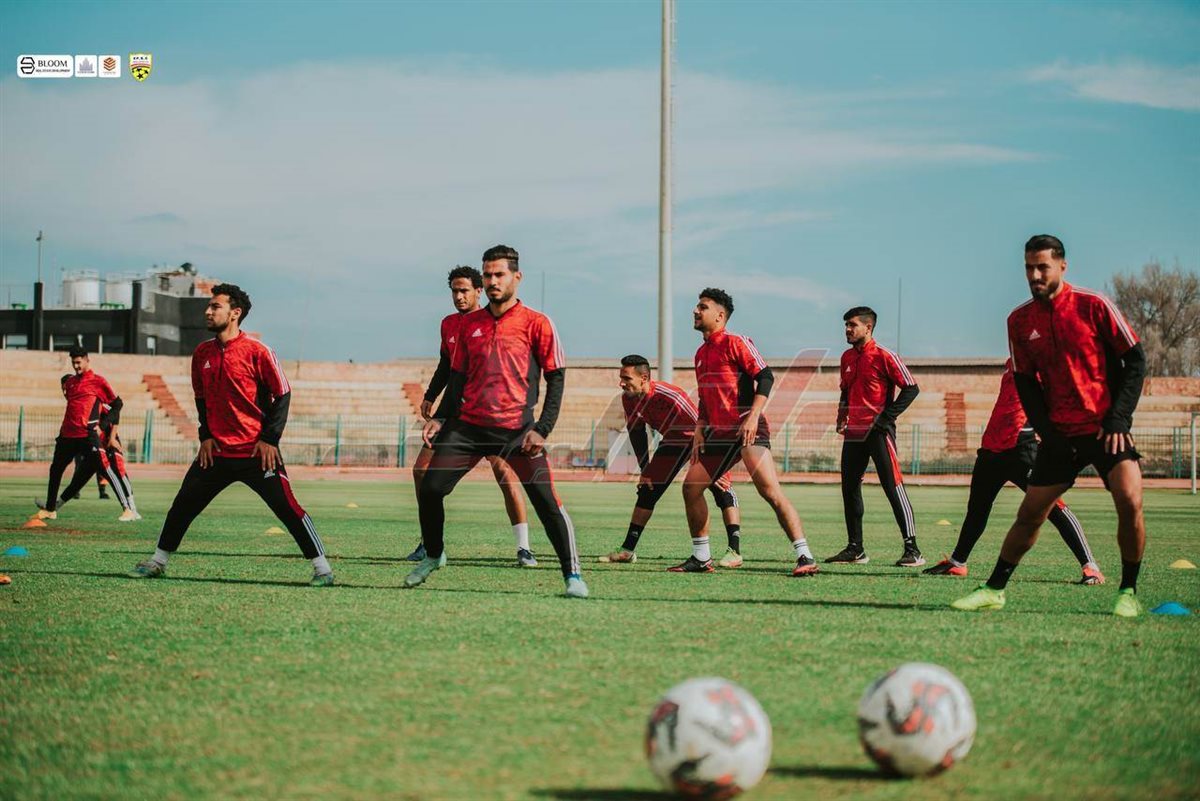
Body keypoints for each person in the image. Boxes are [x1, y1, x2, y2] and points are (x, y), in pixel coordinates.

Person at [952, 234, 1147, 617]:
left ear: (1062, 266)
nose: (1035, 275)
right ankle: (994, 589)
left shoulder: (1094, 305)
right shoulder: (1019, 321)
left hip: (1105, 429)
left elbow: (1135, 361)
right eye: (1029, 268)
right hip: (1060, 436)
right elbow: (1025, 381)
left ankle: (1128, 591)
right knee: (1030, 514)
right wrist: (1047, 430)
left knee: (1129, 501)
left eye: (1043, 267)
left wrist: (1118, 418)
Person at [408, 245, 587, 598]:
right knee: (430, 488)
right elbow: (457, 376)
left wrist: (542, 428)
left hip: (517, 430)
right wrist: (441, 417)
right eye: (488, 274)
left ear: (516, 277)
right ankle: (433, 554)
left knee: (547, 502)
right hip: (468, 428)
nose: (492, 281)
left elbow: (556, 377)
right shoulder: (469, 325)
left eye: (499, 274)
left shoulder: (537, 323)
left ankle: (573, 576)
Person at [129, 283, 334, 586]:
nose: (208, 311)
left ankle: (322, 569)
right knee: (183, 506)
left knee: (287, 508)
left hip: (256, 452)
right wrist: (205, 437)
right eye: (209, 306)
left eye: (215, 306)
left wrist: (270, 439)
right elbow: (201, 398)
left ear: (235, 313)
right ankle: (158, 562)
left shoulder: (258, 351)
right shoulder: (202, 353)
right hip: (216, 453)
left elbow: (283, 393)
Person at [670, 288, 818, 577]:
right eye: (697, 306)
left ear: (720, 315)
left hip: (747, 427)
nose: (695, 311)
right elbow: (705, 396)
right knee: (691, 488)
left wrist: (752, 417)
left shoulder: (736, 342)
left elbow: (765, 376)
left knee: (769, 490)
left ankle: (804, 555)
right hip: (718, 434)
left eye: (702, 307)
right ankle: (701, 557)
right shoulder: (700, 353)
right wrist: (699, 428)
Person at [924, 359, 1103, 584]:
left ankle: (1090, 566)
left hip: (1022, 448)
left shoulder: (1048, 362)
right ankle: (958, 562)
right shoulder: (1014, 360)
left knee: (1052, 505)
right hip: (991, 448)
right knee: (977, 509)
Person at [406, 265, 538, 568]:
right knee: (421, 471)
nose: (459, 296)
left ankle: (524, 547)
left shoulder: (493, 323)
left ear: (479, 291)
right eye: (454, 291)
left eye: (464, 290)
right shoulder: (449, 324)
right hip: (453, 413)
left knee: (504, 473)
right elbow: (446, 365)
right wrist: (430, 395)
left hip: (488, 414)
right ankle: (429, 542)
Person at [600, 354, 743, 567]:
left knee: (722, 487)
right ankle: (627, 550)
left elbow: (701, 424)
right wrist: (646, 470)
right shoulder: (628, 398)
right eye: (621, 377)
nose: (621, 383)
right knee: (648, 489)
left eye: (626, 378)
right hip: (672, 442)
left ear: (644, 378)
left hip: (701, 441)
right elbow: (636, 432)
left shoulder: (670, 395)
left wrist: (717, 463)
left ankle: (734, 551)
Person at [826, 306, 924, 567]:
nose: (847, 330)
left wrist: (885, 418)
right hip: (853, 433)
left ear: (868, 327)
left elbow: (911, 388)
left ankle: (913, 549)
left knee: (892, 486)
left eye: (852, 325)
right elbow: (845, 390)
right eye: (846, 325)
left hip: (879, 432)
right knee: (849, 488)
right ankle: (855, 549)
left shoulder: (884, 355)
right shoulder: (847, 357)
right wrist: (841, 416)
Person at [35, 347, 137, 521]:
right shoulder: (70, 383)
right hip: (67, 435)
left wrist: (102, 426)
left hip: (87, 435)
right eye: (73, 363)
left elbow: (117, 404)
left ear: (87, 360)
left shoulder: (98, 381)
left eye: (78, 362)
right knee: (56, 470)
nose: (76, 366)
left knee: (106, 469)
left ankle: (128, 509)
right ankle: (51, 509)